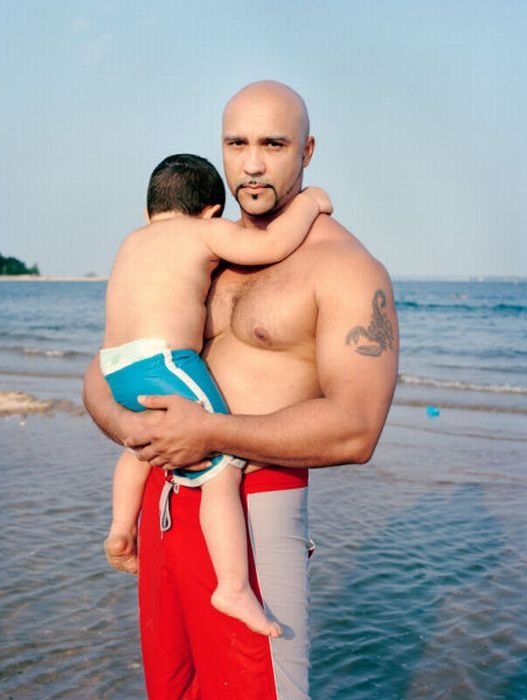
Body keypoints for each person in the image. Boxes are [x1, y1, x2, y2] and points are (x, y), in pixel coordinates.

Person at [84, 81, 399, 699]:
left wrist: (207, 433)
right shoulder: (202, 248)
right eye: (237, 143)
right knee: (173, 690)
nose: (252, 163)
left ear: (307, 151)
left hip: (256, 508)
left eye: (273, 144)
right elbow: (103, 371)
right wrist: (131, 430)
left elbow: (357, 428)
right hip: (166, 499)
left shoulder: (345, 268)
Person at [100, 153, 331, 639]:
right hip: (163, 361)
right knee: (222, 465)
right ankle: (232, 586)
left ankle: (122, 527)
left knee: (142, 444)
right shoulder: (201, 231)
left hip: (116, 366)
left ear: (149, 210)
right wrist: (310, 204)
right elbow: (271, 244)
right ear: (210, 210)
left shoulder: (133, 239)